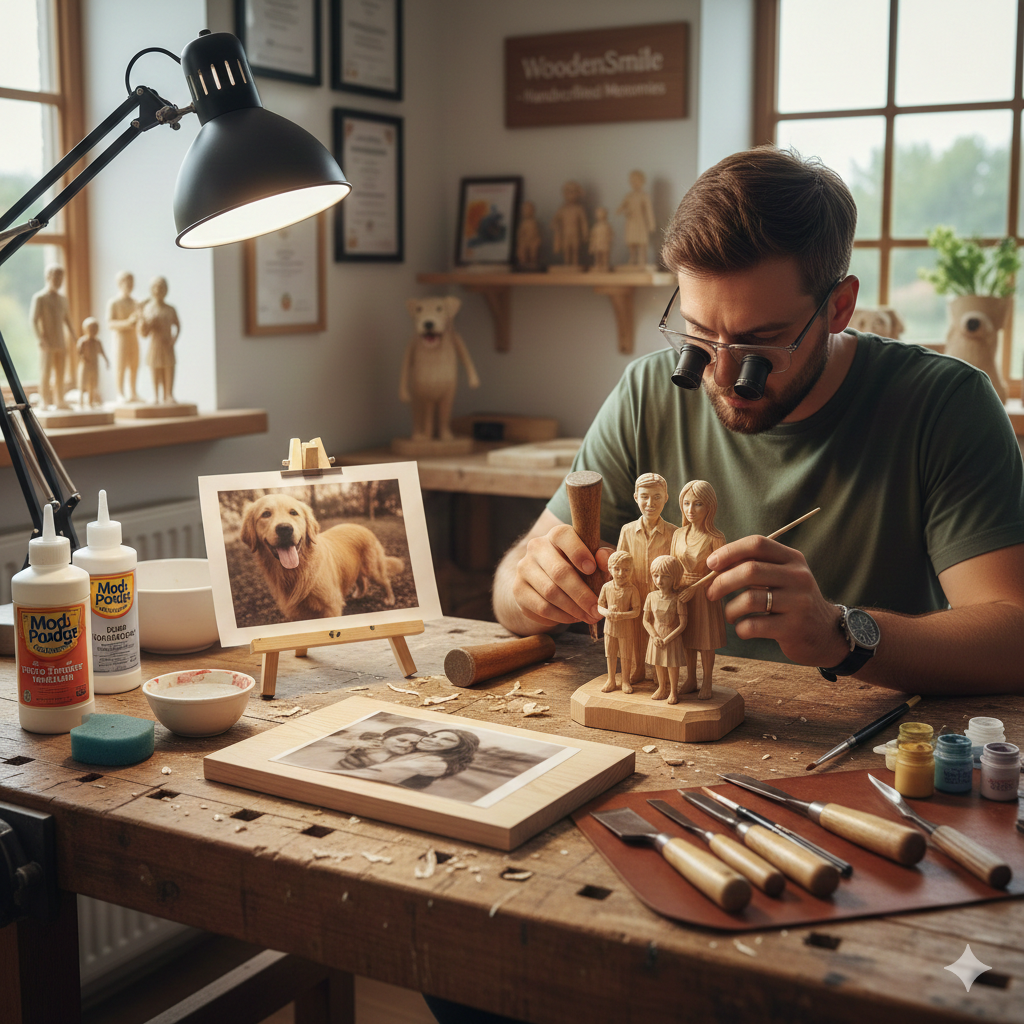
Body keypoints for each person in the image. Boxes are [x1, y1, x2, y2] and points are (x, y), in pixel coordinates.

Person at [493, 146, 1024, 696]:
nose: (721, 373)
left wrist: (842, 635)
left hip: (855, 748)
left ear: (839, 307)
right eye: (698, 333)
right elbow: (511, 589)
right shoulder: (647, 391)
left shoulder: (945, 404)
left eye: (761, 341)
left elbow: (1014, 636)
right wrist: (531, 586)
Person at [615, 472, 676, 684]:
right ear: (636, 497)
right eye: (645, 497)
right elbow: (618, 561)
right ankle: (637, 669)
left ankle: (660, 675)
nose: (650, 503)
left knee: (660, 633)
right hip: (634, 592)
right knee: (635, 635)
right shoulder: (627, 531)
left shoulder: (673, 533)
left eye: (657, 497)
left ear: (666, 498)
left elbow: (677, 567)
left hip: (662, 596)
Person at [672, 480, 727, 699]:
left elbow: (721, 569)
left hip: (704, 594)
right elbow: (672, 564)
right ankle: (691, 679)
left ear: (709, 507)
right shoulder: (678, 534)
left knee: (704, 641)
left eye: (698, 504)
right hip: (681, 592)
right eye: (686, 503)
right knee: (687, 638)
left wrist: (696, 587)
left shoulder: (715, 537)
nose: (690, 510)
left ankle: (708, 682)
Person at [337, 728, 480, 789]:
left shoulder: (432, 763)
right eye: (433, 736)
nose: (433, 740)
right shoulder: (422, 754)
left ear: (457, 748)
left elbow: (373, 774)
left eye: (447, 740)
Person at [642, 554, 691, 704]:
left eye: (665, 577)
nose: (659, 581)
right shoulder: (651, 596)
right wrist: (654, 636)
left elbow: (683, 624)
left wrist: (667, 639)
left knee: (671, 665)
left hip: (672, 638)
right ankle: (662, 687)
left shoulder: (678, 599)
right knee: (658, 663)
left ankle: (673, 691)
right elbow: (645, 620)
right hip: (656, 637)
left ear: (674, 578)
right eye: (656, 576)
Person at [30, 265, 76, 409]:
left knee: (61, 372)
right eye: (56, 277)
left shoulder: (63, 300)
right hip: (47, 342)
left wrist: (76, 338)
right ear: (48, 277)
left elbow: (68, 321)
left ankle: (59, 399)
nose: (59, 281)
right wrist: (39, 339)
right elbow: (33, 320)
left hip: (61, 342)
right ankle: (44, 399)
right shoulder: (40, 298)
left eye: (61, 278)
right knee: (45, 373)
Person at [596, 549, 641, 693]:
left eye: (626, 569)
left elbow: (637, 611)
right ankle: (611, 680)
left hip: (626, 629)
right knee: (610, 654)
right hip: (609, 628)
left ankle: (625, 681)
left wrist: (622, 615)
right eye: (617, 569)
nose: (621, 573)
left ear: (631, 570)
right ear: (610, 569)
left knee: (626, 655)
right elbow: (599, 606)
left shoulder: (632, 590)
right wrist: (607, 613)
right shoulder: (606, 587)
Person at [139, 275, 180, 403]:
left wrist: (174, 339)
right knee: (155, 368)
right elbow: (143, 332)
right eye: (156, 287)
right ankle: (155, 395)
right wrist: (143, 320)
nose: (158, 290)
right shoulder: (148, 308)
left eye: (162, 288)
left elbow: (178, 326)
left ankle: (168, 394)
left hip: (167, 343)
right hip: (155, 344)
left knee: (169, 368)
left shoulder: (170, 309)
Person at [106, 270, 142, 403]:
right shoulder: (114, 302)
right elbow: (110, 323)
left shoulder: (135, 303)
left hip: (133, 337)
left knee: (134, 365)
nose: (130, 285)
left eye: (132, 282)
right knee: (120, 366)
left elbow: (139, 322)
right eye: (127, 282)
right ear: (120, 284)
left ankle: (133, 392)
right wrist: (127, 322)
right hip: (120, 338)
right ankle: (120, 393)